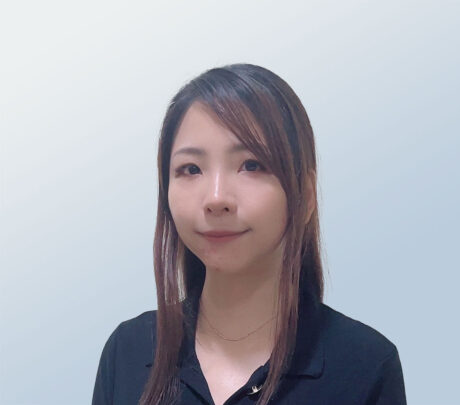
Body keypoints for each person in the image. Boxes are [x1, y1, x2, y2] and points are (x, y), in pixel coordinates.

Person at [92, 63, 407, 405]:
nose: (216, 198)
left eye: (252, 165)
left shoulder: (365, 366)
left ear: (305, 195)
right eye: (191, 169)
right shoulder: (129, 351)